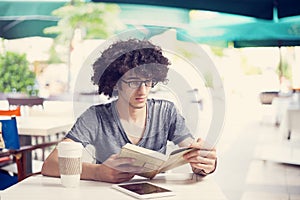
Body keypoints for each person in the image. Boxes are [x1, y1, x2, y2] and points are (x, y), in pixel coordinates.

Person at [41, 39, 217, 183]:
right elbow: (50, 164)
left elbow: (191, 150)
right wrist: (97, 172)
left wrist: (204, 164)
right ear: (116, 83)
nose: (143, 91)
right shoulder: (95, 117)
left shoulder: (166, 112)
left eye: (148, 82)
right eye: (133, 82)